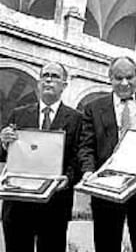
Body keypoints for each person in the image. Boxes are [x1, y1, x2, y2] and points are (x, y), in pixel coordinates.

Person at [78, 56, 136, 252]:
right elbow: (86, 146)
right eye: (118, 78)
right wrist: (87, 171)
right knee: (106, 245)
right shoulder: (93, 108)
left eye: (130, 77)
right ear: (109, 78)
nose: (125, 83)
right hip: (107, 189)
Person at [0, 62, 82, 252]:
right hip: (18, 204)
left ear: (64, 85)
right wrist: (3, 141)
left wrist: (68, 178)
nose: (49, 80)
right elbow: (5, 154)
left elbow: (79, 158)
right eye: (45, 75)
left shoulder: (76, 118)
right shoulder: (19, 114)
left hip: (54, 205)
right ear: (38, 82)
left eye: (55, 76)